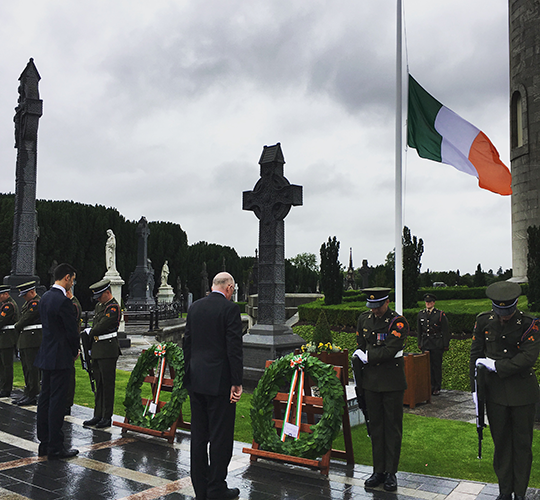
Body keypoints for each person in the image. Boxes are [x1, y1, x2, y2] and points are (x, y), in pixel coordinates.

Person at [470, 281, 540, 500]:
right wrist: (474, 388)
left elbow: (528, 358)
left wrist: (497, 366)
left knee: (521, 445)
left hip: (522, 393)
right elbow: (475, 355)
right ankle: (504, 491)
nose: (504, 317)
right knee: (501, 443)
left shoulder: (529, 324)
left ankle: (519, 493)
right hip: (495, 394)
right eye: (500, 312)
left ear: (516, 304)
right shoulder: (484, 321)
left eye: (507, 312)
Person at [183, 272, 243, 500]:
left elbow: (187, 342)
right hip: (220, 382)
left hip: (196, 380)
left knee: (198, 435)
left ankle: (200, 487)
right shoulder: (230, 310)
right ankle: (216, 487)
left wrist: (189, 373)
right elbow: (233, 349)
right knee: (220, 436)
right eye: (233, 289)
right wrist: (236, 381)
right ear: (228, 287)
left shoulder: (195, 307)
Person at [354, 287, 408, 492]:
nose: (375, 310)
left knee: (392, 428)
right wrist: (364, 355)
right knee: (375, 426)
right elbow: (360, 344)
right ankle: (378, 470)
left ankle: (391, 473)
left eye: (378, 306)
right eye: (372, 306)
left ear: (387, 302)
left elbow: (390, 349)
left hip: (391, 381)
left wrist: (369, 355)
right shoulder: (364, 319)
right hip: (371, 382)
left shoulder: (398, 322)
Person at [35, 263, 80, 459]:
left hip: (46, 354)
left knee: (44, 399)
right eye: (73, 279)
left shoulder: (44, 297)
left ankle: (44, 442)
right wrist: (75, 350)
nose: (73, 283)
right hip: (61, 356)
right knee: (57, 401)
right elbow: (71, 332)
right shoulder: (63, 301)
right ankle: (56, 445)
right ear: (67, 277)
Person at [82, 279, 121, 429]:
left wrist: (89, 332)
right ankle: (97, 414)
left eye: (100, 296)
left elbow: (100, 327)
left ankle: (106, 416)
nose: (98, 299)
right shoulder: (100, 306)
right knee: (98, 384)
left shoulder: (113, 307)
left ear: (107, 292)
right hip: (98, 349)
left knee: (107, 384)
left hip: (108, 349)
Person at [13, 281, 41, 406]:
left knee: (32, 369)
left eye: (25, 294)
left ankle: (33, 394)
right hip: (26, 340)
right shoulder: (28, 303)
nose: (24, 297)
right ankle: (28, 392)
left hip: (33, 340)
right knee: (26, 368)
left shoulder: (36, 303)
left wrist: (17, 325)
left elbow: (25, 319)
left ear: (32, 291)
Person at [417, 293, 450, 395]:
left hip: (436, 343)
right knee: (427, 366)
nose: (428, 304)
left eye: (430, 302)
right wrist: (420, 343)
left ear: (433, 303)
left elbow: (446, 330)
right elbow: (419, 330)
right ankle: (429, 386)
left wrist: (445, 344)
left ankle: (437, 386)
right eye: (427, 302)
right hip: (426, 343)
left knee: (436, 366)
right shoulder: (421, 314)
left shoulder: (439, 314)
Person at [0, 284, 19, 398]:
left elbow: (1, 320)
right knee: (2, 365)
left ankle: (6, 389)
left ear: (6, 294)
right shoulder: (4, 305)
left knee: (6, 365)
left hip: (7, 340)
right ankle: (2, 386)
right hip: (3, 339)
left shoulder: (9, 306)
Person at [65, 289, 82, 415]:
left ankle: (67, 404)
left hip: (69, 344)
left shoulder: (73, 305)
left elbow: (72, 329)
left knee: (68, 376)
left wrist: (75, 348)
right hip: (65, 343)